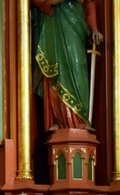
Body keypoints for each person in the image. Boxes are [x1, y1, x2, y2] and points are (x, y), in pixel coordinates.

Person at [32, 0, 102, 130]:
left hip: (74, 24)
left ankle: (80, 119)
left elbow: (89, 3)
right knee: (54, 68)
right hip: (52, 22)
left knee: (77, 69)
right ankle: (58, 120)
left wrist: (94, 28)